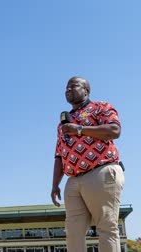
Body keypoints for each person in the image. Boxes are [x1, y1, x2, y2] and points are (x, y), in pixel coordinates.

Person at [50, 76, 125, 252]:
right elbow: (59, 155)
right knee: (73, 231)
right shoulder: (63, 124)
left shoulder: (100, 107)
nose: (68, 90)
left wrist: (80, 129)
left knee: (106, 227)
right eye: (66, 88)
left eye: (73, 86)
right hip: (73, 180)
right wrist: (55, 185)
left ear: (86, 90)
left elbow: (115, 130)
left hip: (100, 170)